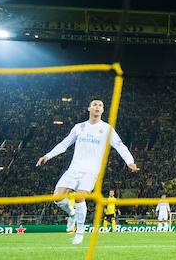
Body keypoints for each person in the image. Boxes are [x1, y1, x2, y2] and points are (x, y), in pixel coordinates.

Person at [36, 98, 138, 245]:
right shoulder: (79, 127)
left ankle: (80, 232)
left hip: (91, 171)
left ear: (103, 110)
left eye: (100, 105)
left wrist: (130, 161)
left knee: (79, 197)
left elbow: (120, 146)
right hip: (74, 168)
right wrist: (48, 155)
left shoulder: (107, 129)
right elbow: (64, 144)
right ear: (89, 108)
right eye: (95, 104)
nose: (97, 107)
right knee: (57, 198)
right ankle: (71, 213)